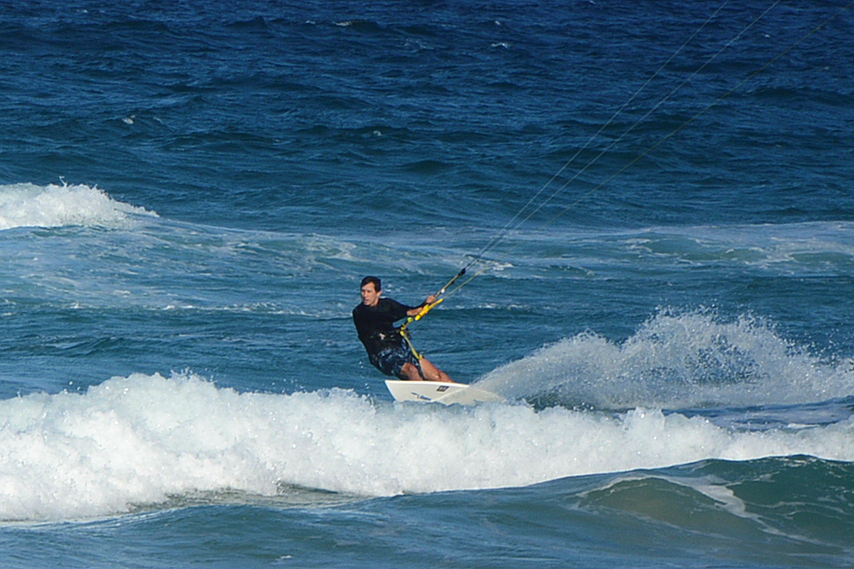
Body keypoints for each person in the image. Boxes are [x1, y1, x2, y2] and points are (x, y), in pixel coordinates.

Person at [352, 276, 455, 382]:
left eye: (369, 292)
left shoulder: (388, 304)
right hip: (381, 354)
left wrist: (425, 304)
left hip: (399, 349)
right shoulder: (359, 312)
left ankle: (460, 391)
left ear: (378, 293)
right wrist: (408, 313)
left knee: (437, 376)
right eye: (363, 291)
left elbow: (408, 310)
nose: (365, 295)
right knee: (411, 370)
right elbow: (382, 316)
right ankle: (420, 392)